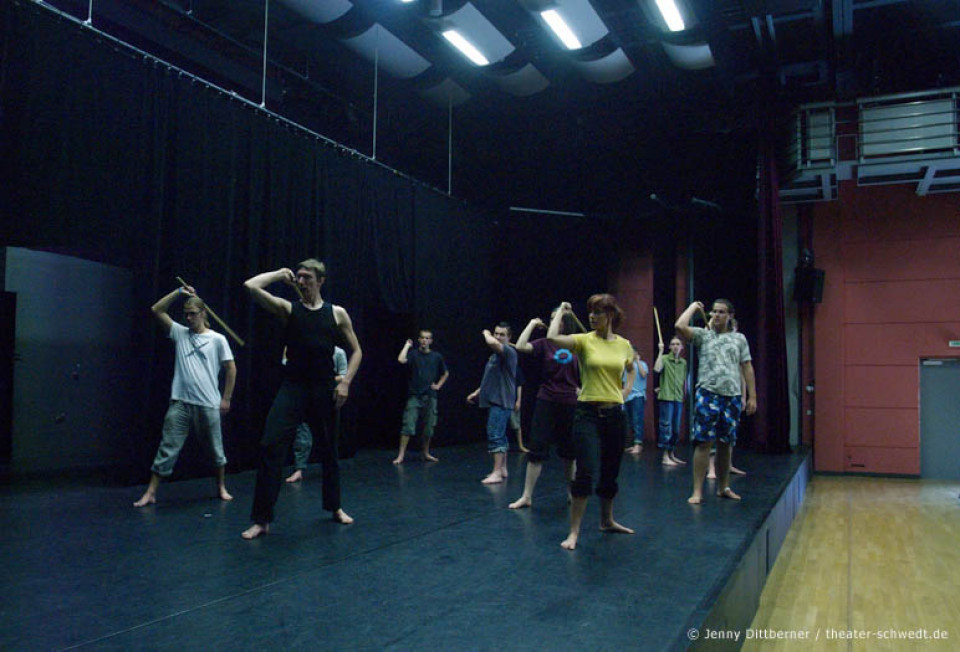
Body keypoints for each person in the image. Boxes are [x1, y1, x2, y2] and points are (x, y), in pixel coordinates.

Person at [241, 259, 362, 539]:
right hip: (293, 388)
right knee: (270, 444)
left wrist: (345, 382)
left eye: (307, 277)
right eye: (299, 276)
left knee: (329, 451)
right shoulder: (289, 309)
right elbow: (250, 286)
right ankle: (262, 519)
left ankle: (335, 507)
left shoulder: (337, 314)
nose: (302, 281)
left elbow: (357, 351)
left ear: (321, 281)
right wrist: (277, 273)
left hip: (323, 389)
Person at [134, 286, 236, 507]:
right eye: (186, 314)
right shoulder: (180, 333)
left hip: (208, 404)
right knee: (167, 447)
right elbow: (157, 310)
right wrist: (179, 292)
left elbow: (231, 368)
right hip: (180, 403)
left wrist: (226, 398)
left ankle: (221, 486)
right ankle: (151, 492)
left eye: (193, 313)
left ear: (203, 313)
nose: (188, 317)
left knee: (216, 451)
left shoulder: (217, 339)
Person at [548, 296, 635, 550]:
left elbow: (631, 369)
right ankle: (574, 532)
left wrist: (625, 393)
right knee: (585, 471)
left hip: (615, 415)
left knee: (611, 471)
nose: (592, 317)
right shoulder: (585, 341)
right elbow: (553, 338)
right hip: (587, 414)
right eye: (590, 313)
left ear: (610, 315)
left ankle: (606, 521)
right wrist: (561, 314)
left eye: (598, 313)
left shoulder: (624, 345)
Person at [675, 299, 757, 504]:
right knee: (703, 443)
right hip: (708, 393)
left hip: (731, 396)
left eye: (721, 312)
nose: (716, 315)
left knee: (726, 444)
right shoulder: (703, 336)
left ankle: (723, 487)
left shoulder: (739, 339)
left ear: (730, 315)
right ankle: (697, 491)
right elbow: (679, 326)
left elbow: (747, 367)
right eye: (714, 312)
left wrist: (752, 396)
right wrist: (694, 307)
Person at [508, 311, 580, 509]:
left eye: (557, 317)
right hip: (547, 400)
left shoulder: (576, 342)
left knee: (569, 453)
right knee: (537, 449)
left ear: (566, 322)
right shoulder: (545, 343)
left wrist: (583, 388)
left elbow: (589, 368)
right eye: (551, 317)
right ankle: (527, 496)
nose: (552, 320)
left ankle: (571, 493)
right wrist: (531, 323)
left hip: (570, 402)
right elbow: (522, 346)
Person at [285, 345, 347, 483]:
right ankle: (299, 469)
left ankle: (330, 469)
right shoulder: (307, 350)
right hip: (306, 395)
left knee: (328, 435)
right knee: (302, 433)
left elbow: (344, 375)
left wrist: (326, 379)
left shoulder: (338, 352)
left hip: (327, 396)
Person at [467, 322, 518, 484]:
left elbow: (491, 342)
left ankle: (496, 472)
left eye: (502, 334)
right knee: (500, 435)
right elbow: (490, 378)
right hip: (496, 399)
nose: (498, 336)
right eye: (496, 333)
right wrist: (477, 392)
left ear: (509, 337)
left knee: (495, 435)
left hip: (502, 401)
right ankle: (502, 469)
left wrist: (486, 332)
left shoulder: (508, 352)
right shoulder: (495, 356)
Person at [393, 330, 449, 464]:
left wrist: (438, 385)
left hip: (430, 396)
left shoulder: (436, 357)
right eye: (422, 338)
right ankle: (401, 455)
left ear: (431, 341)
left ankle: (425, 452)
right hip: (414, 396)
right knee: (408, 425)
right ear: (419, 340)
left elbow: (445, 373)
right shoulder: (413, 355)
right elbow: (401, 360)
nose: (424, 340)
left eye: (427, 338)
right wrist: (407, 346)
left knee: (429, 427)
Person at [654, 336, 687, 466]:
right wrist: (660, 351)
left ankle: (671, 454)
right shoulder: (664, 359)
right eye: (673, 344)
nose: (675, 346)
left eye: (678, 344)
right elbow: (657, 369)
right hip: (666, 397)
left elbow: (684, 380)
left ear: (682, 347)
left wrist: (684, 394)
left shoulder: (683, 363)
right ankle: (664, 456)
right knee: (666, 426)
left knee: (676, 429)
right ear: (669, 347)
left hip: (678, 398)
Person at [623, 346, 648, 455]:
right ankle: (632, 444)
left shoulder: (642, 364)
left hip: (638, 395)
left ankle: (638, 444)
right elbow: (624, 382)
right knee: (629, 421)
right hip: (627, 396)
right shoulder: (625, 366)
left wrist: (637, 361)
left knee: (638, 420)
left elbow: (643, 374)